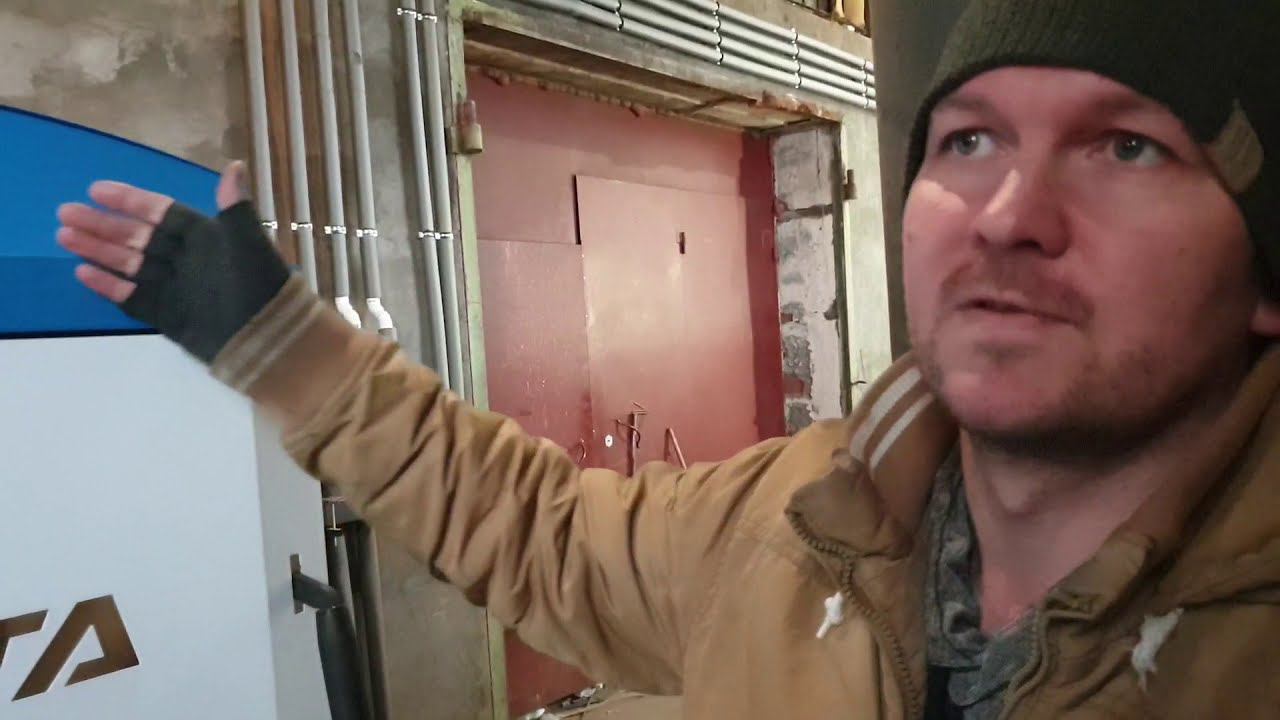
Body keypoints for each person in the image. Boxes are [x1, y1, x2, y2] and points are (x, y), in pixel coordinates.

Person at [53, 0, 1280, 717]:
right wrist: (284, 344)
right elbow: (528, 528)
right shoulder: (788, 529)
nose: (1006, 213)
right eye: (966, 141)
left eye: (1125, 148)